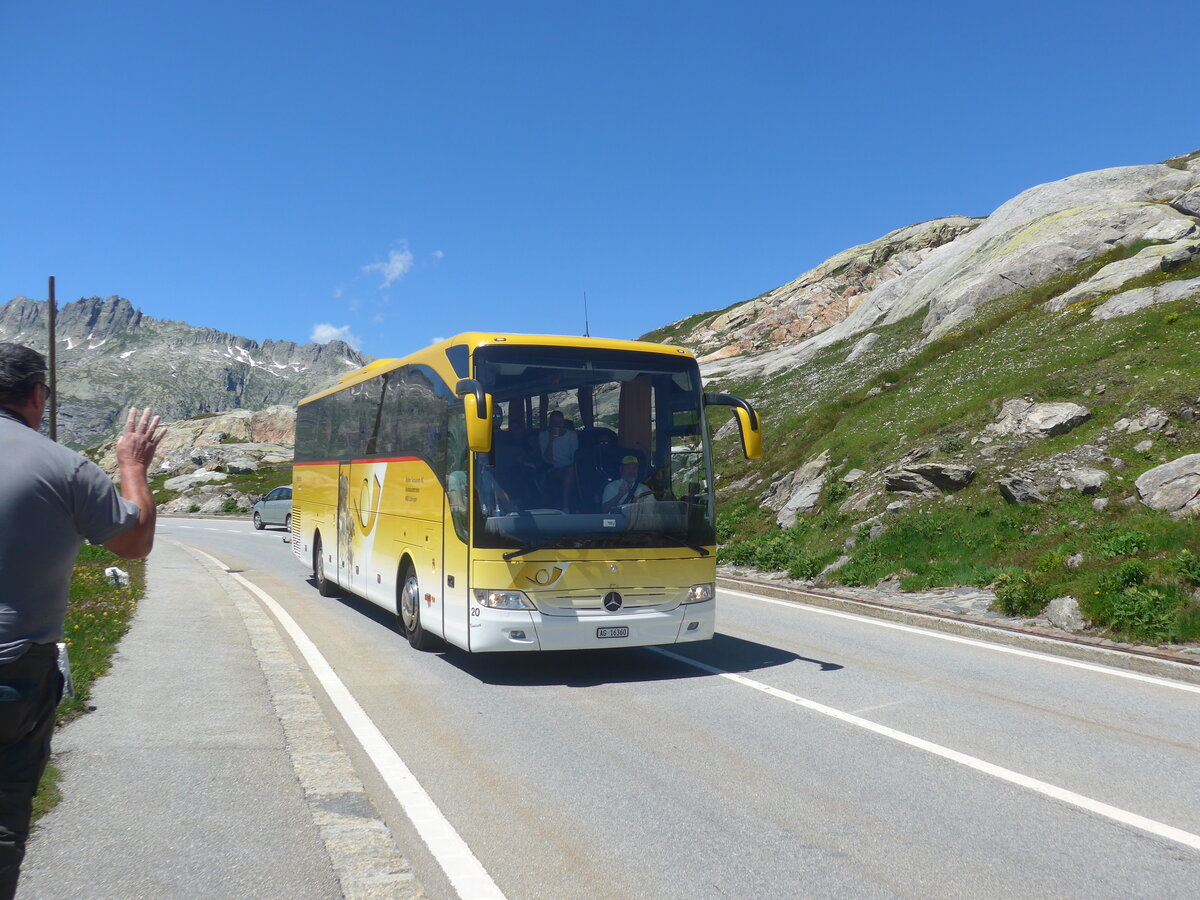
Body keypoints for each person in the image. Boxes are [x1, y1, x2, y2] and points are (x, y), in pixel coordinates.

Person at [0, 343, 164, 898]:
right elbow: (134, 541)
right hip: (15, 674)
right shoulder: (64, 466)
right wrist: (132, 466)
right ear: (36, 395)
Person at [538, 411, 578, 510]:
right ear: (550, 423)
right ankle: (566, 506)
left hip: (570, 467)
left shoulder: (571, 435)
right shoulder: (543, 435)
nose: (557, 425)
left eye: (559, 422)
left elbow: (575, 456)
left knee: (571, 471)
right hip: (552, 469)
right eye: (554, 422)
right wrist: (551, 440)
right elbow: (547, 458)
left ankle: (571, 506)